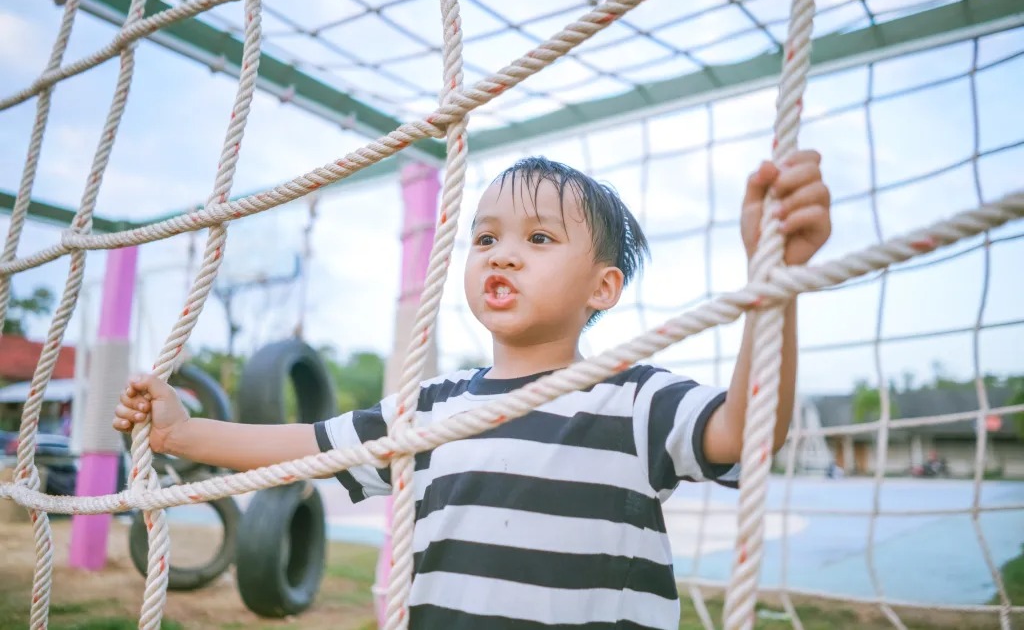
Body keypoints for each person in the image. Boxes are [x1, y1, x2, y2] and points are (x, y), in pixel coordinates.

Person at [114, 152, 831, 629]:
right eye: (486, 238)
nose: (504, 252)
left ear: (603, 287)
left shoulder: (634, 398)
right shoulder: (432, 409)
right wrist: (181, 433)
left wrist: (774, 285)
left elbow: (747, 429)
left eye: (540, 239)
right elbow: (306, 447)